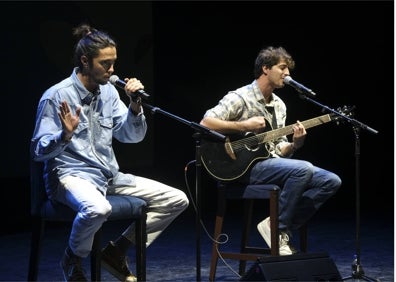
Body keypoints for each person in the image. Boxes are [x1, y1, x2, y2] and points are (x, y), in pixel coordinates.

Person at [30, 23, 189, 282]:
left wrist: (135, 105)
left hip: (107, 176)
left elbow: (131, 136)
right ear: (85, 61)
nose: (113, 70)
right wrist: (63, 136)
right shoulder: (56, 96)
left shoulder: (109, 93)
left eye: (114, 62)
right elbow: (38, 150)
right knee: (98, 208)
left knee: (177, 199)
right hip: (70, 176)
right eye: (106, 63)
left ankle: (116, 252)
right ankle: (74, 258)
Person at [200, 46, 341, 256]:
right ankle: (279, 229)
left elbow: (279, 149)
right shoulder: (240, 97)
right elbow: (205, 122)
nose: (288, 74)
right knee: (303, 169)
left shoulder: (279, 105)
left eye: (289, 70)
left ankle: (276, 225)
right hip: (238, 167)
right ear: (266, 68)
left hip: (268, 164)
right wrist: (244, 125)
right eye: (282, 68)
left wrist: (295, 144)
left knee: (330, 181)